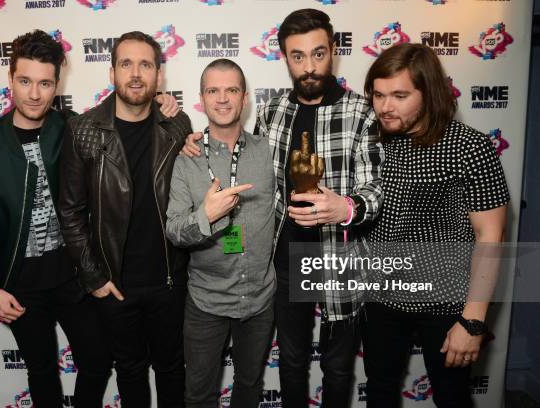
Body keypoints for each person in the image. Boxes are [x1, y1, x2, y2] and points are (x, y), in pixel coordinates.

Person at [182, 9, 383, 407]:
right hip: (285, 263)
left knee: (339, 367)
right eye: (298, 56)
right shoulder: (273, 113)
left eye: (318, 53)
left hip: (341, 262)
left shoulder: (361, 112)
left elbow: (376, 188)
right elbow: (241, 160)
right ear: (285, 58)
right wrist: (194, 139)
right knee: (290, 363)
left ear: (334, 51)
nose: (309, 66)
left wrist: (344, 207)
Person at [0, 30, 111, 407]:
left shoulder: (72, 128)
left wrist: (161, 105)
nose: (34, 94)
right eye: (25, 81)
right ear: (10, 78)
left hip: (75, 278)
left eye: (45, 83)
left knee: (96, 361)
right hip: (20, 286)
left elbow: (125, 117)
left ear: (57, 84)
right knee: (41, 371)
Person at [362, 43, 510, 408]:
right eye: (378, 95)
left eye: (399, 95)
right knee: (380, 391)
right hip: (383, 294)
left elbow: (490, 235)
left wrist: (473, 321)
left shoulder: (470, 148)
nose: (385, 106)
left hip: (446, 299)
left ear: (429, 93)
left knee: (452, 397)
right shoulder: (375, 141)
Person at [58, 31, 192, 408]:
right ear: (112, 72)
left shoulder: (176, 125)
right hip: (115, 284)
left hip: (169, 279)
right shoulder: (83, 131)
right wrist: (94, 277)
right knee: (130, 371)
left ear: (159, 76)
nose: (136, 73)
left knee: (171, 369)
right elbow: (69, 211)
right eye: (126, 64)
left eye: (145, 64)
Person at [166, 59, 275, 407]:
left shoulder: (268, 151)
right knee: (199, 395)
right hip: (206, 301)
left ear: (244, 98)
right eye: (213, 90)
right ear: (201, 98)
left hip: (259, 298)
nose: (223, 99)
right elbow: (173, 229)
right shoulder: (187, 158)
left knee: (249, 386)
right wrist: (205, 216)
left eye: (231, 90)